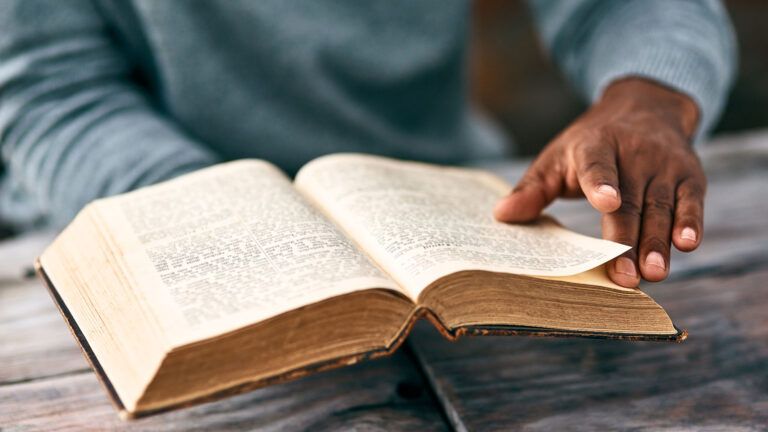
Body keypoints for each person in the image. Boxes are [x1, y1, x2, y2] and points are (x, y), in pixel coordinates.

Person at [0, 0, 735, 288]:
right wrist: (227, 214)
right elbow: (53, 95)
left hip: (433, 211)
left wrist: (651, 95)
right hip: (129, 218)